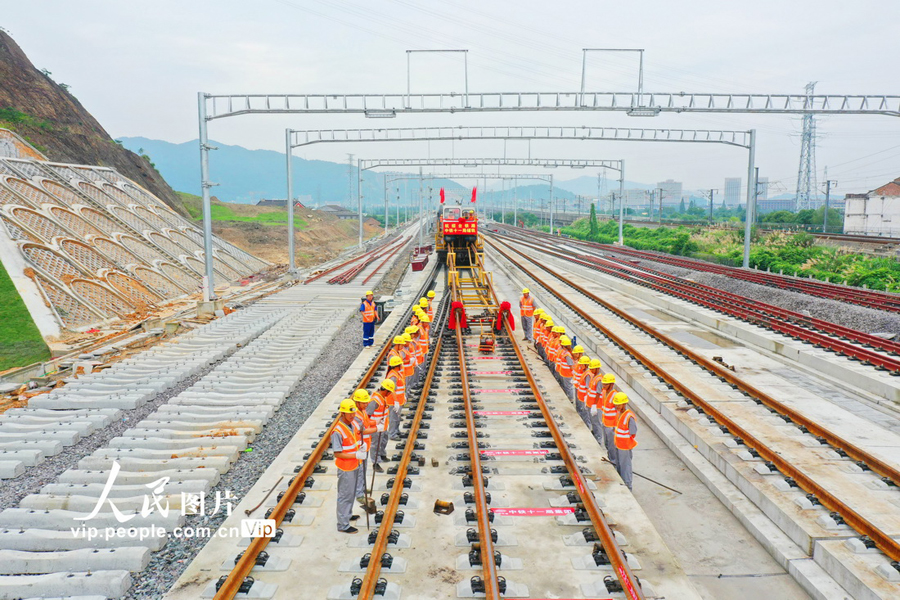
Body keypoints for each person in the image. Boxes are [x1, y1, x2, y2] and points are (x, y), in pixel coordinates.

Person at [332, 398, 365, 533]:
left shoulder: (354, 424)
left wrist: (361, 447)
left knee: (351, 493)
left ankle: (348, 515)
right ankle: (343, 525)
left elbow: (358, 436)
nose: (353, 415)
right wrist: (355, 455)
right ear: (342, 413)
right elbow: (337, 453)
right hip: (346, 468)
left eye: (354, 413)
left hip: (355, 465)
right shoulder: (337, 431)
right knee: (345, 495)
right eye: (350, 413)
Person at [352, 390, 378, 505]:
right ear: (357, 402)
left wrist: (376, 422)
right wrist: (377, 428)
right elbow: (362, 430)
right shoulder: (355, 415)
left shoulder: (362, 411)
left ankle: (362, 488)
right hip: (359, 446)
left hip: (365, 445)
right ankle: (359, 495)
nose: (366, 405)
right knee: (360, 470)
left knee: (364, 469)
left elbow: (367, 423)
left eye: (366, 402)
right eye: (363, 403)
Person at [613, 392, 638, 490]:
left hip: (625, 446)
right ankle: (621, 482)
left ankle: (628, 486)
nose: (617, 406)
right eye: (616, 404)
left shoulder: (629, 416)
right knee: (620, 465)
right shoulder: (620, 413)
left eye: (618, 404)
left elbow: (633, 432)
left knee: (625, 466)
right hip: (618, 445)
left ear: (624, 404)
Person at [368, 380, 393, 471]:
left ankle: (382, 455)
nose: (390, 394)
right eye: (389, 392)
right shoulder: (375, 400)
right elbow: (367, 416)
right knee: (376, 444)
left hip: (383, 425)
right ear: (386, 390)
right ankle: (375, 462)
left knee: (384, 440)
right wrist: (374, 424)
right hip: (376, 427)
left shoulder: (382, 396)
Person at [385, 356, 406, 440]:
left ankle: (396, 431)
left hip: (398, 400)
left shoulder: (396, 373)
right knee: (393, 418)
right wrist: (396, 402)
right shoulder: (393, 376)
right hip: (393, 401)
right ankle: (392, 434)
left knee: (397, 417)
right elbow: (392, 390)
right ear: (397, 365)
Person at [585, 360, 605, 445]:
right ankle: (596, 436)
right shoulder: (594, 377)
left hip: (596, 406)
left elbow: (598, 393)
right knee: (594, 422)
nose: (591, 370)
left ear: (597, 368)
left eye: (593, 369)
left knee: (597, 423)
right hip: (591, 404)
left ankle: (599, 440)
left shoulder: (599, 379)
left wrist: (594, 405)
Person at [600, 374, 619, 461]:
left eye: (606, 384)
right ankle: (610, 459)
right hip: (605, 423)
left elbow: (618, 412)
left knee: (612, 446)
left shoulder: (615, 396)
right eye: (603, 384)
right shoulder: (604, 392)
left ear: (611, 384)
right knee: (607, 444)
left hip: (612, 426)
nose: (604, 386)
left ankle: (614, 462)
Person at [574, 355, 592, 427]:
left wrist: (586, 397)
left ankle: (588, 426)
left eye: (582, 364)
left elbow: (587, 387)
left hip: (584, 397)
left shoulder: (587, 374)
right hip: (581, 396)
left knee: (586, 413)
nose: (580, 366)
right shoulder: (584, 372)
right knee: (583, 412)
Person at [556, 336, 575, 402]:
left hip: (567, 373)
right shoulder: (564, 352)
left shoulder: (567, 355)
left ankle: (571, 399)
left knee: (568, 386)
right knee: (566, 386)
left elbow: (570, 365)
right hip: (564, 372)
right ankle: (568, 397)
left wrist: (573, 372)